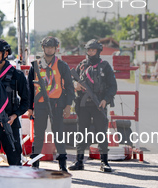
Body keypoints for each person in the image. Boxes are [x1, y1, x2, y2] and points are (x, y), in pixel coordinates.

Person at [69, 39, 117, 173]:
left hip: (99, 104)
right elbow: (71, 80)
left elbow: (113, 86)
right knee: (81, 133)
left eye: (93, 50)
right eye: (89, 50)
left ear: (98, 51)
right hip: (83, 105)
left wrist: (105, 100)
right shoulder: (82, 65)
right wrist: (75, 85)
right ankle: (79, 161)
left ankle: (104, 162)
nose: (90, 52)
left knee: (101, 133)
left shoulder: (105, 66)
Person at [27, 36, 74, 172]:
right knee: (38, 136)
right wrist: (30, 107)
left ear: (55, 48)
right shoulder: (35, 66)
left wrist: (68, 105)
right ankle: (35, 165)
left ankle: (62, 166)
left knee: (59, 134)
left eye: (52, 47)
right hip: (40, 104)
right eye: (47, 47)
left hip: (57, 104)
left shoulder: (61, 65)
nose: (49, 49)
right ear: (43, 48)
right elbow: (30, 89)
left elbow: (69, 87)